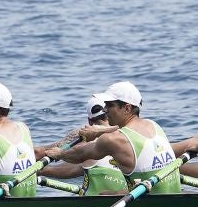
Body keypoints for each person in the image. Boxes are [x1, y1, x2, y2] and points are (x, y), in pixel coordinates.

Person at [39, 81, 183, 194]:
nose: (105, 109)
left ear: (127, 108)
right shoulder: (153, 125)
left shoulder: (112, 140)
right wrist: (100, 131)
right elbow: (125, 131)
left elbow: (80, 155)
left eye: (109, 105)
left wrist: (60, 153)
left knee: (104, 196)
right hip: (171, 195)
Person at [40, 94, 129, 194]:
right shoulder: (128, 137)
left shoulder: (87, 140)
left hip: (93, 204)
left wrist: (41, 170)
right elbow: (75, 169)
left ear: (89, 121)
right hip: (127, 197)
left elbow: (74, 163)